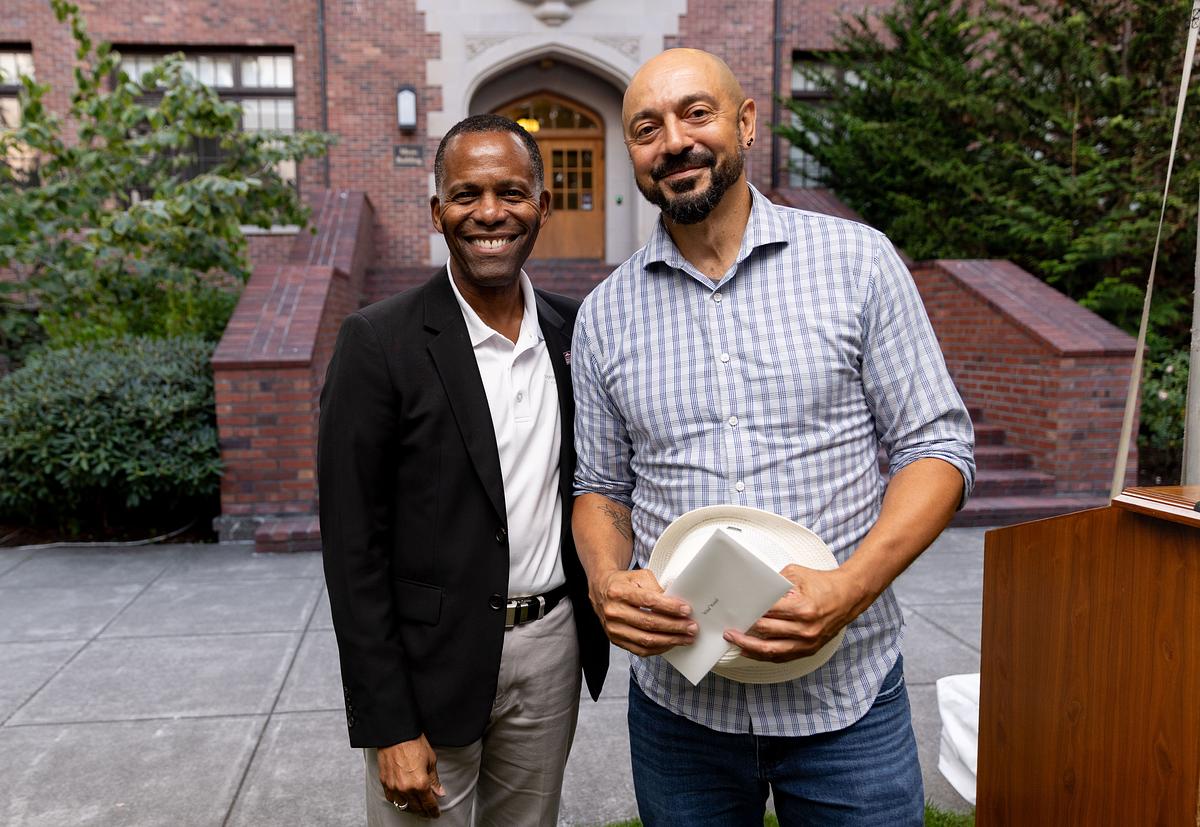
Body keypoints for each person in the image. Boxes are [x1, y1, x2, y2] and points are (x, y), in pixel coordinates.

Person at [571, 49, 975, 826]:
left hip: (846, 699)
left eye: (696, 113)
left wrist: (849, 589)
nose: (674, 142)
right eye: (647, 129)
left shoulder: (857, 262)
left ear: (747, 122)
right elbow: (601, 486)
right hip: (682, 709)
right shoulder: (605, 314)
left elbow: (936, 448)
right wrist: (604, 579)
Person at [318, 113, 608, 826]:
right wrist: (387, 720)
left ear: (542, 205)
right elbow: (353, 551)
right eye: (466, 194)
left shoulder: (577, 331)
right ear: (437, 211)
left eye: (510, 192)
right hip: (427, 663)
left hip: (551, 647)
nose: (489, 213)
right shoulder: (378, 341)